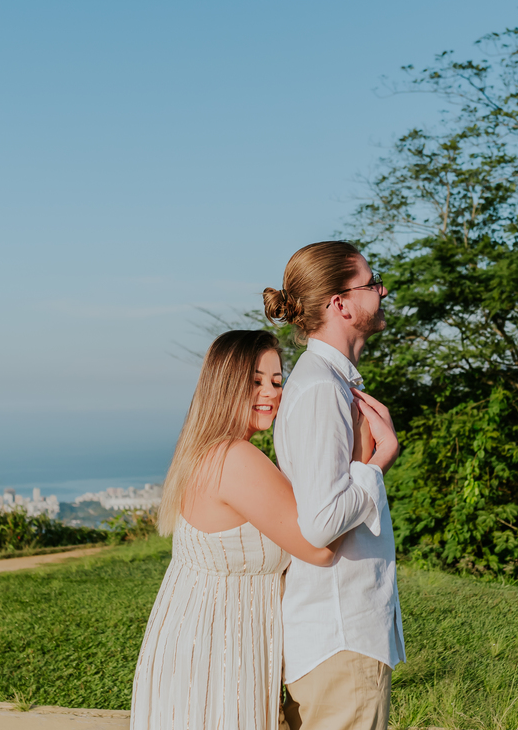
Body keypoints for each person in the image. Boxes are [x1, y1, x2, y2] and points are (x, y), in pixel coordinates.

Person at [129, 329, 342, 730]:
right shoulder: (236, 457)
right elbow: (319, 545)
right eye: (255, 380)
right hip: (219, 647)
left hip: (193, 639)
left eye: (277, 381)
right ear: (225, 384)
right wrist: (365, 468)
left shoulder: (204, 449)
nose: (271, 393)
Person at [262, 240, 404, 730]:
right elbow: (320, 523)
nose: (382, 291)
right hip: (340, 638)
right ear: (340, 304)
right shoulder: (323, 387)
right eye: (371, 282)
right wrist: (379, 461)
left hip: (342, 637)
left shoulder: (329, 381)